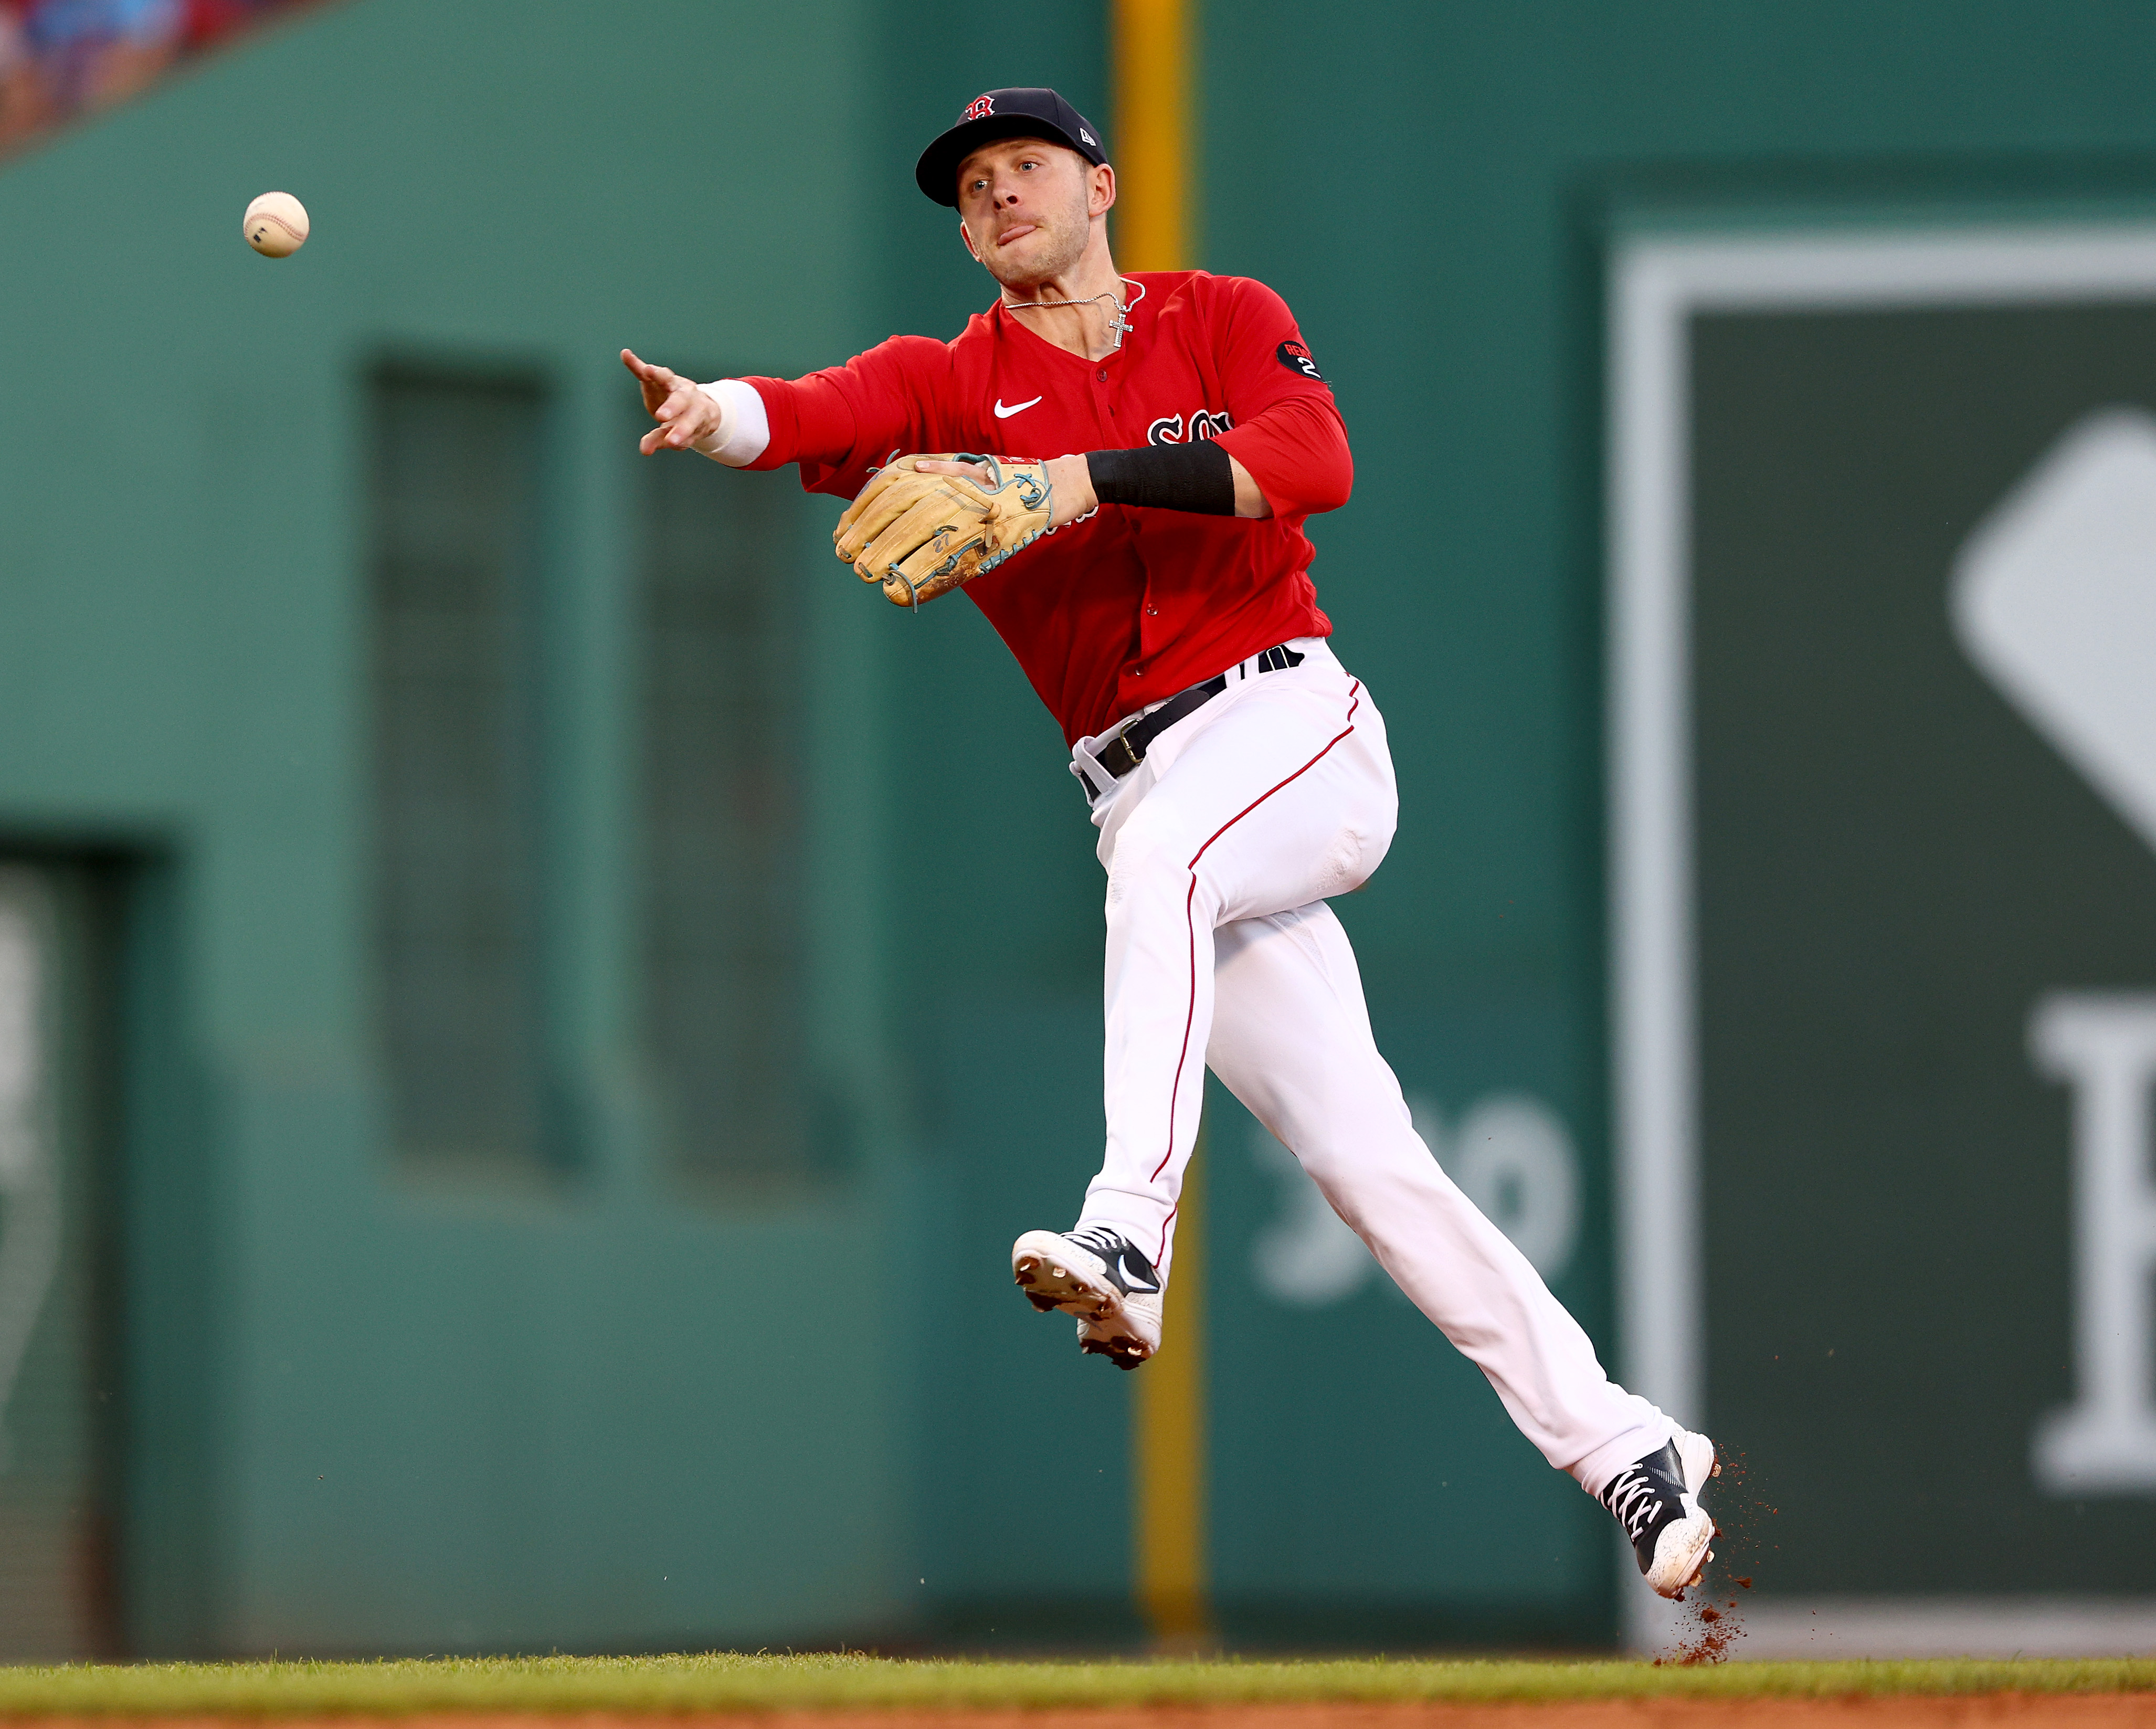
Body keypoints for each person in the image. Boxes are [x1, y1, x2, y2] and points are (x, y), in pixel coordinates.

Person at [620, 86, 1720, 1600]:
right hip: (1140, 786)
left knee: (1166, 872)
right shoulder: (943, 383)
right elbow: (803, 413)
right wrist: (710, 414)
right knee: (1365, 1160)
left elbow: (1310, 463)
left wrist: (1073, 482)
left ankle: (1127, 1232)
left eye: (1025, 168)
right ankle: (1628, 1450)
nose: (998, 196)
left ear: (1100, 186)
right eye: (972, 185)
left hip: (1294, 731)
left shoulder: (1219, 318)